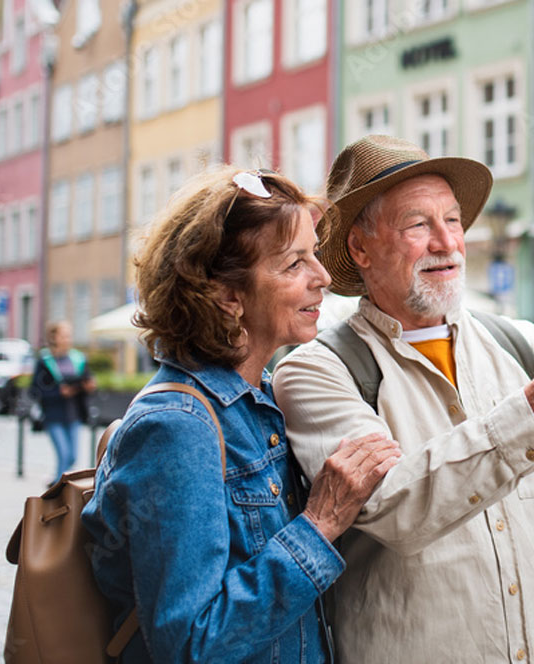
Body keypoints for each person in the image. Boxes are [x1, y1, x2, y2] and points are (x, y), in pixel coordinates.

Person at [273, 135, 534, 663]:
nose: (446, 242)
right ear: (360, 249)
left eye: (452, 220)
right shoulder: (315, 371)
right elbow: (396, 509)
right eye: (417, 225)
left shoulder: (519, 343)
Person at [81, 167, 402, 663]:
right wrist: (318, 525)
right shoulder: (178, 427)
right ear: (227, 295)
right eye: (295, 263)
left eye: (315, 253)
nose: (322, 277)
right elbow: (191, 645)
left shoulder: (260, 397)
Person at [31, 320, 96, 485]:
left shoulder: (78, 359)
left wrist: (88, 386)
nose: (68, 339)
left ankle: (56, 483)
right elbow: (35, 389)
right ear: (54, 337)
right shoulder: (44, 361)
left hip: (74, 414)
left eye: (69, 336)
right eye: (64, 336)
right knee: (64, 454)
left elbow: (87, 381)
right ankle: (59, 491)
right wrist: (58, 392)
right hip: (53, 414)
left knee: (73, 456)